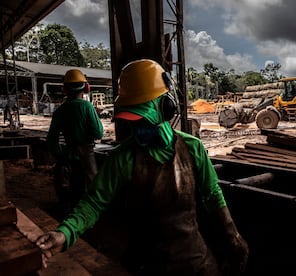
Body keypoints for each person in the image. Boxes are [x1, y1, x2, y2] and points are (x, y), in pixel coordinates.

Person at [36, 59, 249, 275]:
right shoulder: (123, 158)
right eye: (133, 121)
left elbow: (212, 194)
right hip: (147, 263)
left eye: (143, 120)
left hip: (194, 260)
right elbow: (93, 202)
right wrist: (64, 233)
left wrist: (233, 236)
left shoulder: (193, 148)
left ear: (166, 107)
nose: (137, 128)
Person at [46, 68, 104, 213]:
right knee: (93, 183)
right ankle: (93, 214)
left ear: (64, 89)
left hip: (70, 153)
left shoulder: (60, 111)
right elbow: (99, 132)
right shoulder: (87, 107)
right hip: (87, 153)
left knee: (75, 185)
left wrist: (61, 156)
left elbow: (51, 140)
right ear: (86, 87)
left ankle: (74, 211)